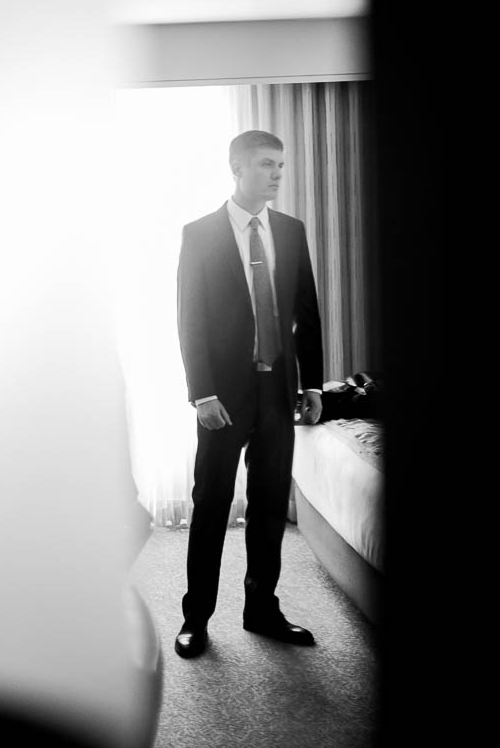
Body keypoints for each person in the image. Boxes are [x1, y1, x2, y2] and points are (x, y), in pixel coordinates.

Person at [174, 129, 324, 657]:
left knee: (266, 507)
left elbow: (305, 312)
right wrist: (202, 393)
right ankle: (197, 617)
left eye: (281, 165)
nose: (277, 173)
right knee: (211, 503)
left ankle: (262, 610)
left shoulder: (290, 229)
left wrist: (311, 383)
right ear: (237, 168)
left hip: (278, 392)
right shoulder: (200, 234)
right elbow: (189, 319)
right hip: (224, 397)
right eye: (266, 164)